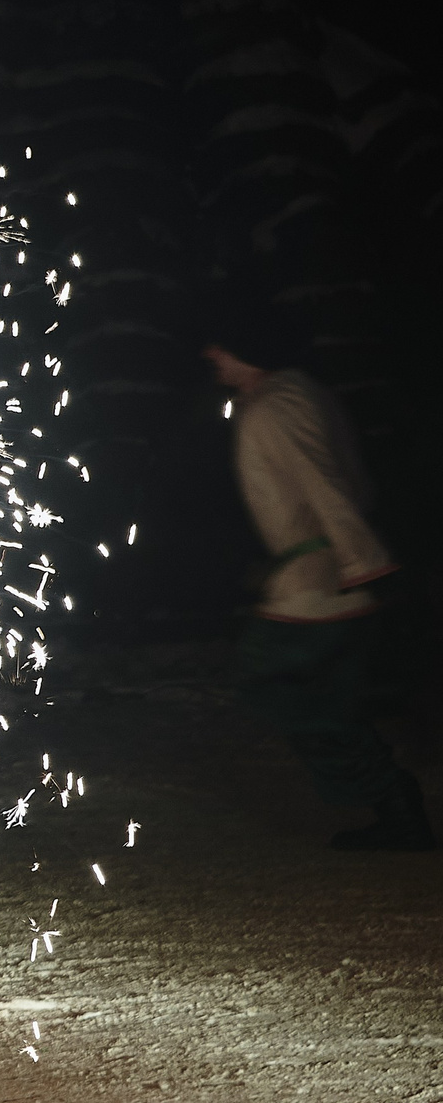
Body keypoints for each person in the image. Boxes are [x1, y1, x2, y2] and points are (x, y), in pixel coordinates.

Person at [202, 320, 432, 851]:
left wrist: (361, 559)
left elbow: (322, 481)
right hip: (324, 579)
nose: (210, 352)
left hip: (318, 588)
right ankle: (396, 809)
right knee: (323, 697)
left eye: (220, 341)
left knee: (275, 684)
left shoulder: (274, 406)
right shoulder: (295, 392)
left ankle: (393, 798)